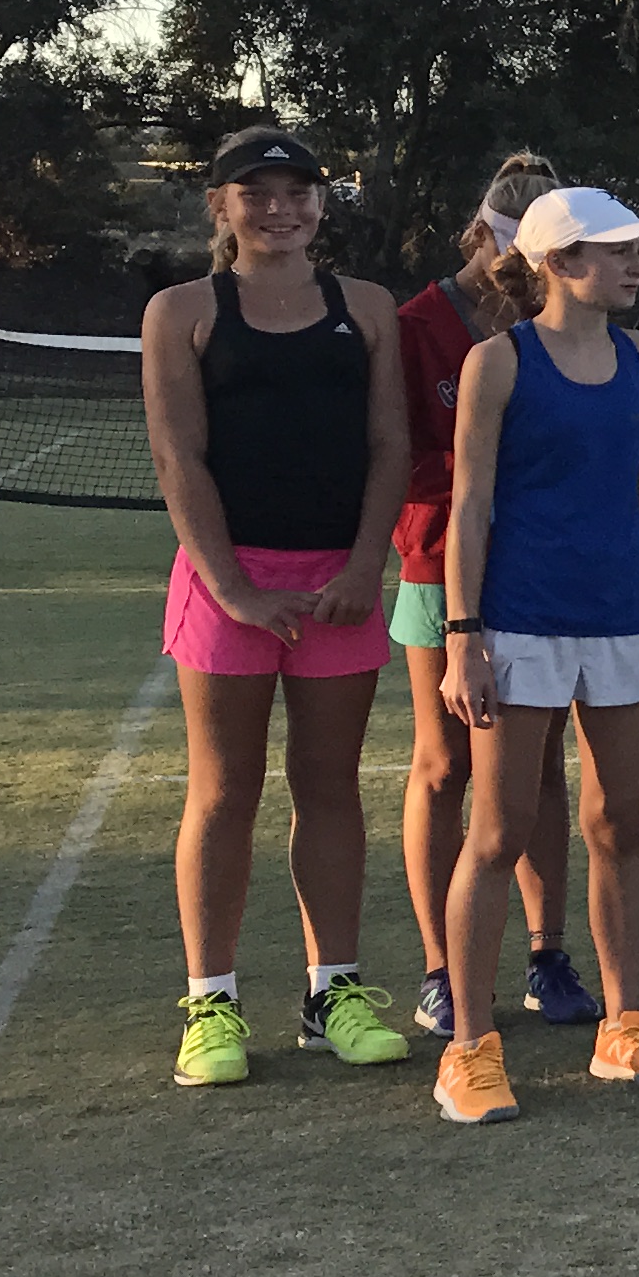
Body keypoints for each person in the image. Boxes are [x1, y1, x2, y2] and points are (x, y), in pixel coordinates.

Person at [138, 125, 413, 1089]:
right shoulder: (182, 311)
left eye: (299, 191)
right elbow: (181, 457)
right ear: (222, 207)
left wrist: (362, 567)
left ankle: (330, 990)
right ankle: (210, 1003)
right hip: (231, 584)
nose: (280, 207)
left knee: (330, 787)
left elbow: (391, 448)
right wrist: (233, 588)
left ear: (321, 206)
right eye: (256, 192)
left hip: (340, 582)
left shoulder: (368, 307)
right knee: (224, 790)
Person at [428, 189, 639, 1123]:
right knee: (499, 835)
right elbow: (469, 506)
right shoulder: (495, 363)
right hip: (518, 624)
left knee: (617, 824)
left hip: (623, 622)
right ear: (555, 260)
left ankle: (623, 1026)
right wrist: (462, 637)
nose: (636, 265)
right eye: (617, 250)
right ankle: (468, 1047)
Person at [390, 154, 576, 1038]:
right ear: (485, 234)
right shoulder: (420, 323)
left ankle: (549, 955)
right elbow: (403, 460)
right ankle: (440, 969)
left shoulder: (560, 319)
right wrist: (489, 477)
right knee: (444, 764)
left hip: (540, 576)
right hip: (439, 571)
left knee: (538, 771)